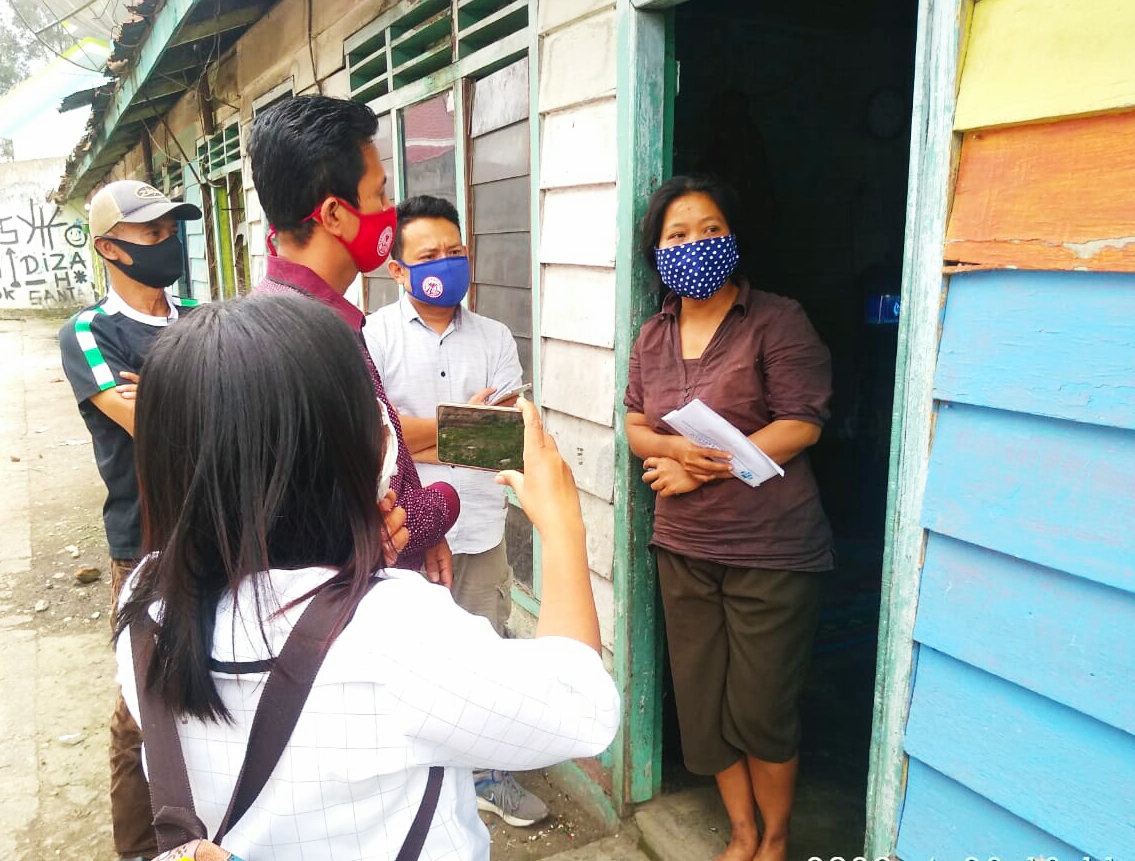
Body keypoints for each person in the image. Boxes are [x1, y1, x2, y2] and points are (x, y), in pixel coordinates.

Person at [113, 295, 620, 861]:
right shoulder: (394, 630)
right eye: (372, 415)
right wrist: (563, 529)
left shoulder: (145, 598)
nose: (385, 429)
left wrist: (350, 551)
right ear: (334, 454)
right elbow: (582, 709)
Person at [623, 175, 833, 861]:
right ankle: (740, 832)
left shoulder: (776, 319)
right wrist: (669, 448)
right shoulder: (652, 335)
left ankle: (774, 839)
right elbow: (633, 424)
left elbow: (799, 424)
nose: (695, 244)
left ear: (733, 237)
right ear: (656, 251)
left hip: (769, 549)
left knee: (760, 709)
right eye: (677, 234)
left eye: (710, 229)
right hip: (683, 546)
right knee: (703, 705)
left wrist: (697, 466)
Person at [365, 194, 548, 827]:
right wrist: (461, 426)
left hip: (479, 527)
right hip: (405, 531)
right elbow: (376, 436)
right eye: (428, 255)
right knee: (411, 662)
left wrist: (429, 429)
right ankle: (422, 784)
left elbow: (507, 437)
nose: (446, 263)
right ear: (397, 269)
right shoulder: (371, 337)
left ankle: (489, 775)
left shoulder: (496, 338)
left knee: (485, 653)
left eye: (455, 251)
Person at [247, 94, 457, 581]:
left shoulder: (285, 313)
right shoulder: (315, 341)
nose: (390, 210)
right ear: (335, 215)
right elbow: (379, 529)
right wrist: (443, 504)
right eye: (380, 195)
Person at [58, 179, 203, 861]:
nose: (165, 241)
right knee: (140, 710)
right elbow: (139, 418)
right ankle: (139, 849)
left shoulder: (203, 314)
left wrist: (167, 393)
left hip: (221, 525)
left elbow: (241, 404)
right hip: (143, 542)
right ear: (109, 246)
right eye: (150, 232)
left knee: (216, 682)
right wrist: (201, 394)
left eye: (171, 227)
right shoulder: (88, 332)